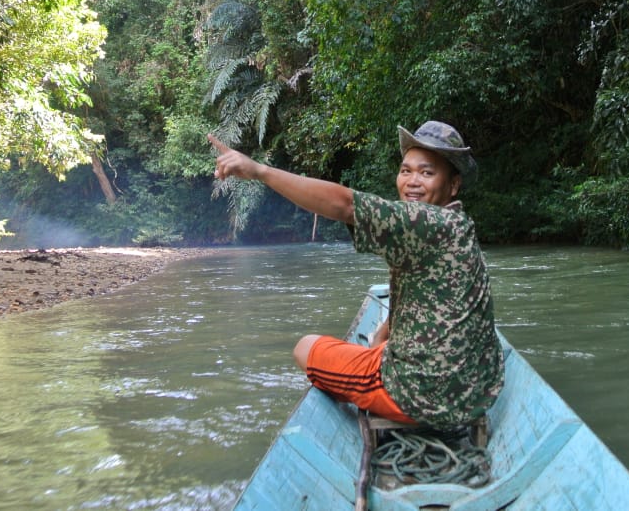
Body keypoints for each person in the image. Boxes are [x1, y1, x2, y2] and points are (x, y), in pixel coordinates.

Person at [208, 121, 503, 429]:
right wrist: (385, 334)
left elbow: (345, 205)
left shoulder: (426, 222)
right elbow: (431, 295)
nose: (413, 181)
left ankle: (391, 403)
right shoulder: (458, 224)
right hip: (476, 392)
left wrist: (259, 171)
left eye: (427, 173)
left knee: (305, 347)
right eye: (406, 171)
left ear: (453, 184)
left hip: (424, 396)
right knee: (379, 342)